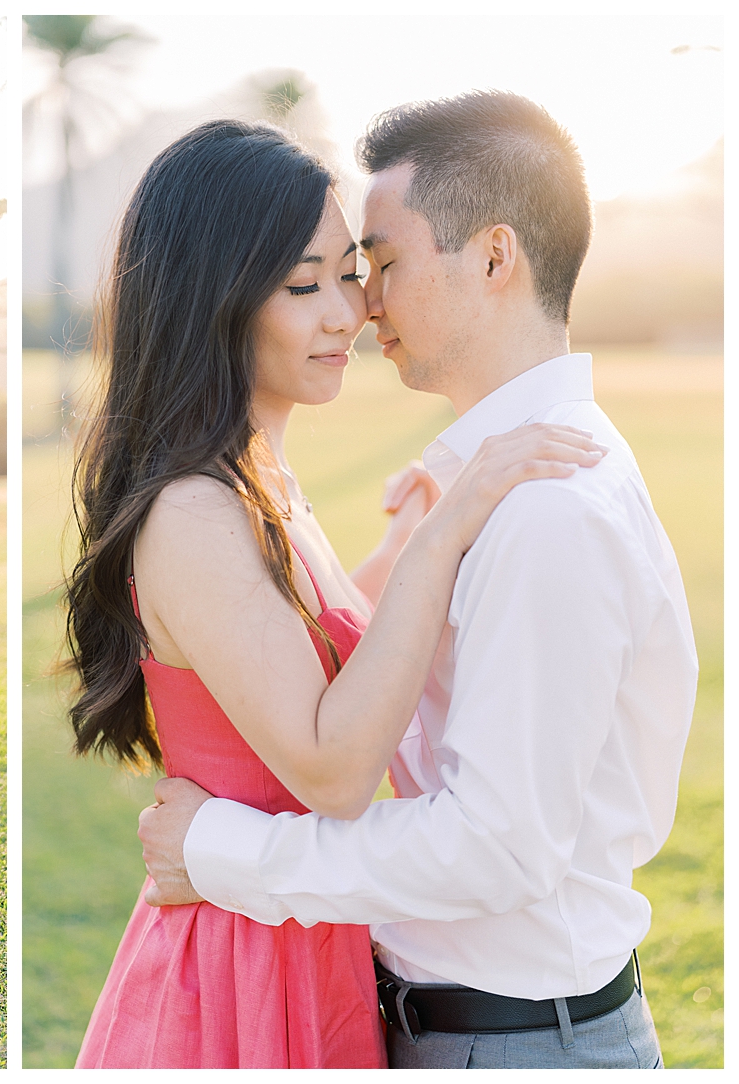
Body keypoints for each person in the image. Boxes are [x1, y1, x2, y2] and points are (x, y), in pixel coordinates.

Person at [138, 93, 697, 1069]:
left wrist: (219, 852)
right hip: (454, 1023)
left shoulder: (543, 505)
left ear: (491, 257)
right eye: (338, 277)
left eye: (379, 266)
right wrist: (416, 544)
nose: (364, 307)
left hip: (515, 1042)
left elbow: (493, 848)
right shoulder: (494, 488)